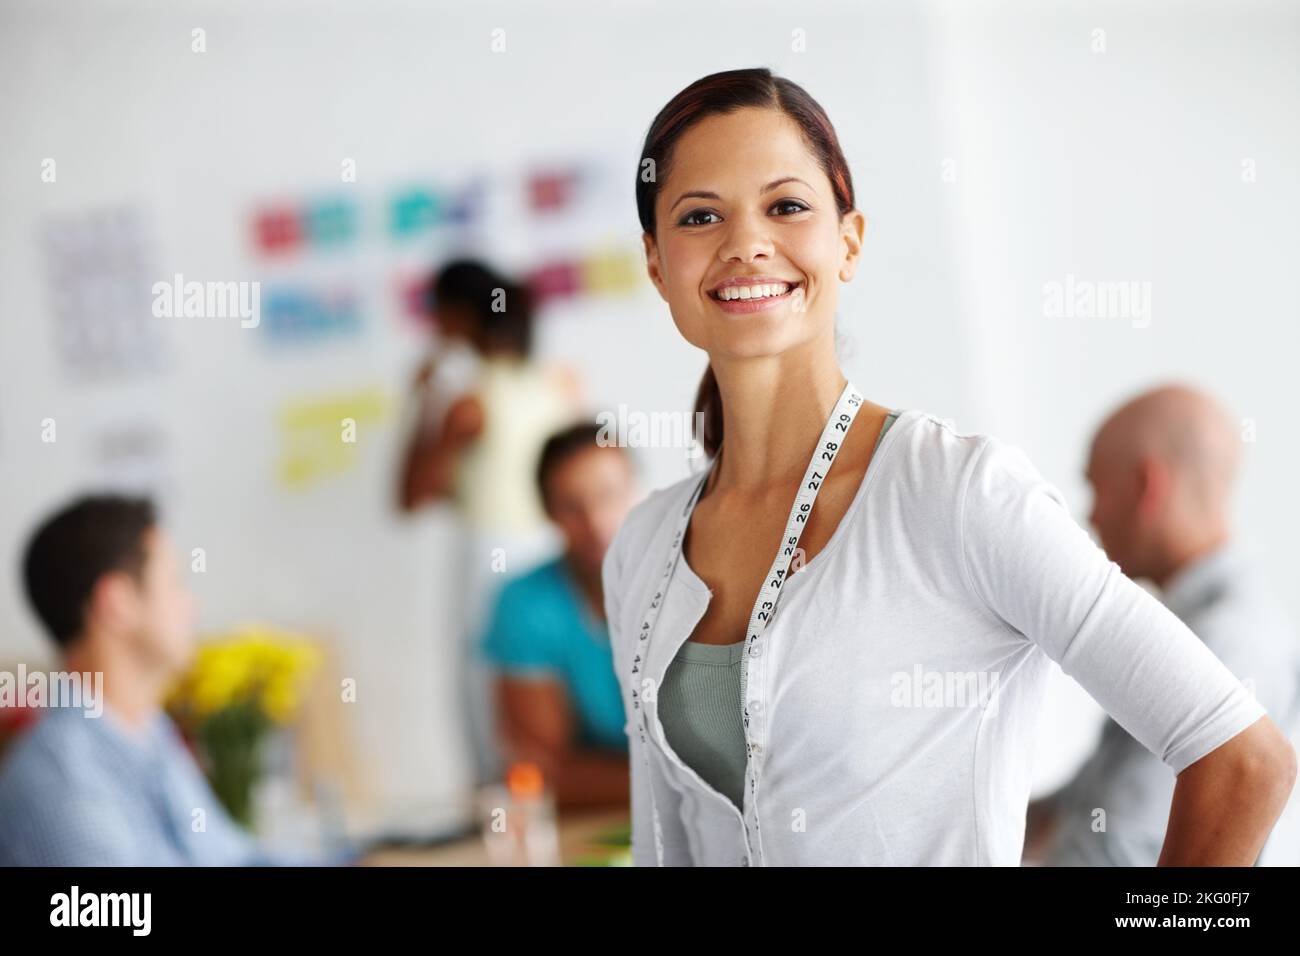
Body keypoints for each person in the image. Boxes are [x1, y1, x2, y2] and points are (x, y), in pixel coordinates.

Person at [602, 67, 1296, 866]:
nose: (746, 242)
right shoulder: (645, 547)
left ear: (849, 241)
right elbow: (668, 843)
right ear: (656, 264)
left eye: (787, 205)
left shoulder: (956, 495)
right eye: (699, 216)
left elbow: (1243, 760)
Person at [1024, 384, 1300, 866]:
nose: (1090, 516)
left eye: (1096, 488)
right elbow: (1081, 807)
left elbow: (1114, 848)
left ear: (1146, 486)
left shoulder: (1223, 641)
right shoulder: (1195, 625)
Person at [0, 495, 325, 866]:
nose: (192, 606)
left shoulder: (149, 734)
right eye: (175, 583)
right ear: (118, 602)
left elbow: (236, 858)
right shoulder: (58, 784)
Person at [396, 258, 582, 787]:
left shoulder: (466, 404)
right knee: (549, 683)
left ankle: (497, 805)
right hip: (552, 553)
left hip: (487, 560)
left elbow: (410, 496)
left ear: (457, 317)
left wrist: (423, 402)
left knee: (484, 694)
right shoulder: (556, 384)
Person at [480, 422, 639, 810]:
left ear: (639, 491)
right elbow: (542, 769)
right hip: (593, 823)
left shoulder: (699, 576)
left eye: (609, 496)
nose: (596, 522)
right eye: (572, 506)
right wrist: (675, 787)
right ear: (547, 513)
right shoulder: (525, 604)